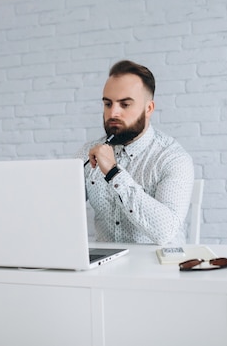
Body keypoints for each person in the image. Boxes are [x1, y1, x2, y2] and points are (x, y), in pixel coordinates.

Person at [77, 60, 194, 245]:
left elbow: (166, 231)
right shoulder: (87, 153)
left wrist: (114, 173)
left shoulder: (173, 158)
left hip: (159, 267)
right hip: (105, 269)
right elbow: (59, 210)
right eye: (108, 104)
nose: (113, 113)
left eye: (124, 105)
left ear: (149, 108)